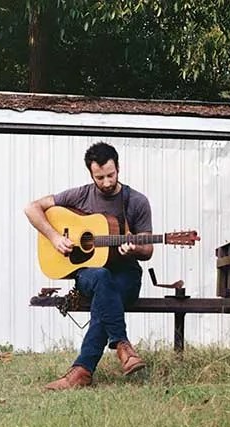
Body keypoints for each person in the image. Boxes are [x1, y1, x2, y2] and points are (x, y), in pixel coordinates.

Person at [24, 141, 153, 390]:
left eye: (111, 175)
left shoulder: (136, 201)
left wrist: (135, 247)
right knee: (102, 277)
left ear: (119, 168)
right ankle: (122, 345)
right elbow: (32, 208)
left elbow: (148, 250)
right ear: (90, 173)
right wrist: (54, 236)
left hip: (126, 275)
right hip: (90, 276)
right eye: (99, 177)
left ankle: (82, 371)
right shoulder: (80, 195)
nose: (106, 182)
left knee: (106, 295)